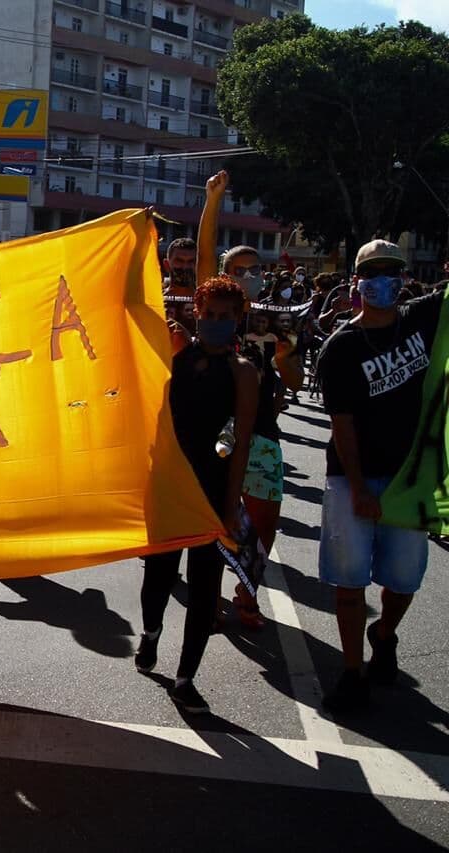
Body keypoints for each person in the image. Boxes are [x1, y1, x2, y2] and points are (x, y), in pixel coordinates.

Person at [316, 239, 441, 712]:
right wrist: (359, 486)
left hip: (410, 478)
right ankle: (352, 673)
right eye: (373, 273)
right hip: (352, 479)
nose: (381, 282)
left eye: (391, 272)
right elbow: (341, 423)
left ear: (403, 280)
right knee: (350, 582)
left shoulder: (422, 320)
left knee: (404, 579)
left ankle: (384, 633)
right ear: (358, 282)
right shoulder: (341, 347)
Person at [136, 275, 259, 714]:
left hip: (210, 491)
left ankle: (186, 678)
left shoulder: (243, 372)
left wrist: (229, 508)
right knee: (159, 577)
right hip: (169, 487)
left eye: (225, 316)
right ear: (196, 313)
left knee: (206, 590)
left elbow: (241, 443)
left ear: (238, 319)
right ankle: (150, 636)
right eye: (208, 314)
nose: (215, 322)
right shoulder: (177, 353)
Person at [199, 171, 303, 628]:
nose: (249, 277)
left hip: (262, 435)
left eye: (255, 269)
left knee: (263, 524)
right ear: (225, 276)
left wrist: (285, 357)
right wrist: (212, 202)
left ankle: (247, 591)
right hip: (216, 437)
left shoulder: (274, 321)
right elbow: (204, 256)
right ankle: (209, 591)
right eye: (239, 271)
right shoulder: (217, 311)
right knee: (212, 523)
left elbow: (296, 382)